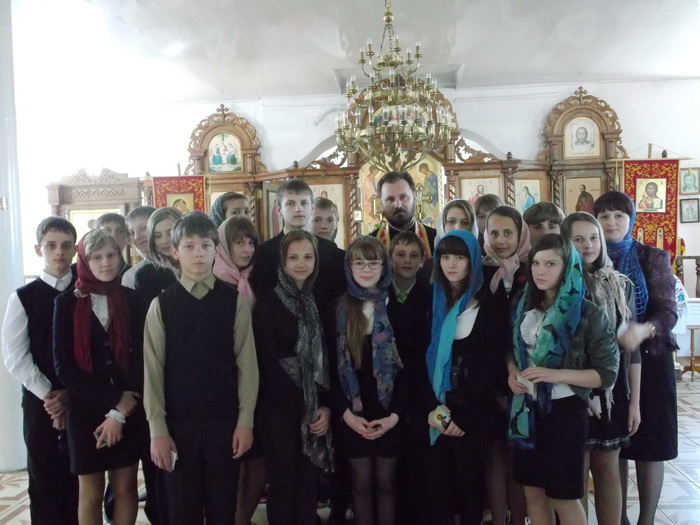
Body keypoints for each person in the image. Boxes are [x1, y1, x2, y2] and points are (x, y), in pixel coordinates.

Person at [144, 211, 259, 523]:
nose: (198, 254)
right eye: (189, 246)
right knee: (183, 511)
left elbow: (247, 365)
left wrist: (245, 421)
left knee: (223, 508)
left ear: (216, 251)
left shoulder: (233, 301)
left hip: (225, 424)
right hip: (178, 427)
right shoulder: (162, 305)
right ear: (174, 251)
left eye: (206, 246)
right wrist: (158, 430)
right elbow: (153, 371)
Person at [507, 234, 618, 525]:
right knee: (533, 492)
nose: (541, 271)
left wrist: (554, 374)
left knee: (563, 496)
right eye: (536, 263)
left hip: (565, 411)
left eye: (551, 264)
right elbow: (510, 349)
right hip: (526, 409)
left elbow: (606, 373)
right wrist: (512, 370)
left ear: (568, 267)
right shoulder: (522, 303)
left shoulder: (588, 312)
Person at [593, 191, 678, 525]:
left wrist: (643, 330)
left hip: (651, 360)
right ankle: (620, 519)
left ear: (631, 220)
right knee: (614, 443)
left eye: (619, 216)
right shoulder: (591, 257)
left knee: (650, 445)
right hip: (608, 364)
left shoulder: (652, 257)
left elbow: (667, 311)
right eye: (604, 216)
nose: (611, 223)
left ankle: (646, 519)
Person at [53, 229, 148, 525]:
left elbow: (142, 357)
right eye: (96, 257)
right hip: (85, 410)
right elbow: (64, 367)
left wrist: (120, 411)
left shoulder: (134, 300)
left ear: (120, 257)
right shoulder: (66, 303)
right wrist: (113, 401)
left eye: (111, 255)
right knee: (90, 493)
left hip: (129, 406)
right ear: (84, 260)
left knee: (125, 488)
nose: (105, 263)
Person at [422, 229, 509, 525]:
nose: (451, 264)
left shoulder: (489, 304)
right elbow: (418, 359)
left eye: (459, 257)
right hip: (435, 413)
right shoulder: (431, 300)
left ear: (472, 261)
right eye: (445, 256)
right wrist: (434, 410)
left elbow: (490, 367)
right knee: (438, 492)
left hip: (472, 416)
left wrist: (461, 418)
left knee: (471, 491)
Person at [561, 212, 641, 525]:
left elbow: (631, 349)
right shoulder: (559, 284)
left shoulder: (620, 284)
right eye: (578, 239)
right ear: (566, 243)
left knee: (608, 469)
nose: (588, 245)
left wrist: (634, 402)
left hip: (611, 390)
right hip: (572, 392)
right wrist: (581, 394)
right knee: (576, 473)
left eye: (593, 238)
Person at [253, 230, 334, 524]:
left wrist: (325, 406)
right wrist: (298, 405)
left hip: (314, 408)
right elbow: (266, 363)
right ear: (282, 261)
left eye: (307, 257)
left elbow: (329, 359)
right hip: (278, 409)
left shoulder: (321, 302)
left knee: (308, 480)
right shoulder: (267, 304)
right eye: (294, 257)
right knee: (283, 479)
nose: (301, 264)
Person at [1, 217, 79, 524]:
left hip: (81, 398)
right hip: (40, 401)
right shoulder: (23, 297)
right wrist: (50, 395)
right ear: (38, 249)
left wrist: (71, 393)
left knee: (79, 476)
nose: (59, 252)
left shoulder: (85, 291)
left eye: (66, 245)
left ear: (75, 249)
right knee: (44, 475)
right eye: (51, 245)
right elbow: (15, 355)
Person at [336, 236, 407, 525]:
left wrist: (394, 417)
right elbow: (330, 371)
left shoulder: (397, 309)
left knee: (387, 485)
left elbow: (408, 371)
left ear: (385, 267)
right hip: (353, 414)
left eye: (373, 263)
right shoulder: (339, 310)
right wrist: (348, 416)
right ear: (349, 267)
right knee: (360, 486)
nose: (366, 269)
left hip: (389, 413)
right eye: (359, 263)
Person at [213, 216, 263, 525]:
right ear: (223, 246)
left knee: (258, 463)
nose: (246, 249)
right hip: (225, 389)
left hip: (258, 383)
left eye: (250, 242)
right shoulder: (215, 282)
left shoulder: (254, 279)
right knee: (232, 465)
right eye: (238, 242)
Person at [387, 232, 432, 525]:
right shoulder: (379, 292)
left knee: (418, 457)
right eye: (400, 254)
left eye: (414, 255)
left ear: (422, 260)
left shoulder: (430, 295)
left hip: (419, 385)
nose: (407, 261)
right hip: (386, 385)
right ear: (390, 258)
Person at [250, 178, 345, 301]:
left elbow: (337, 295)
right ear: (279, 210)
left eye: (304, 203)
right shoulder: (265, 251)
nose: (298, 209)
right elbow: (262, 294)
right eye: (290, 203)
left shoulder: (329, 250)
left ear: (312, 208)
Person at [370, 171, 436, 259]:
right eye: (390, 199)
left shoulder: (436, 239)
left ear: (415, 197)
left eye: (403, 197)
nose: (398, 205)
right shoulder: (370, 244)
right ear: (381, 204)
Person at [133, 207, 182, 310]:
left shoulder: (199, 264)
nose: (164, 241)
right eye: (158, 236)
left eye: (170, 234)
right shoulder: (146, 276)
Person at [121, 206, 157, 289]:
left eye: (144, 228)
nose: (137, 237)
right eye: (132, 232)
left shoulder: (180, 264)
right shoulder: (131, 276)